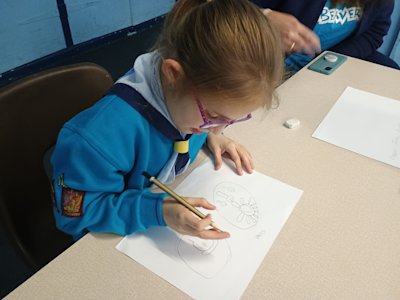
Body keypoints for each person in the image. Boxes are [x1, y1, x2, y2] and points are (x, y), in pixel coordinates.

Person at [50, 0, 284, 241]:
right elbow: (77, 217)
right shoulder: (95, 141)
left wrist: (214, 136)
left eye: (232, 120)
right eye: (214, 116)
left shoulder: (188, 101)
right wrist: (157, 210)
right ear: (173, 74)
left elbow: (205, 119)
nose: (220, 127)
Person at [250, 0, 400, 72]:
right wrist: (264, 17)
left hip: (322, 68)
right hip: (261, 62)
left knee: (390, 70)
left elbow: (376, 31)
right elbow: (230, 7)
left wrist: (331, 61)